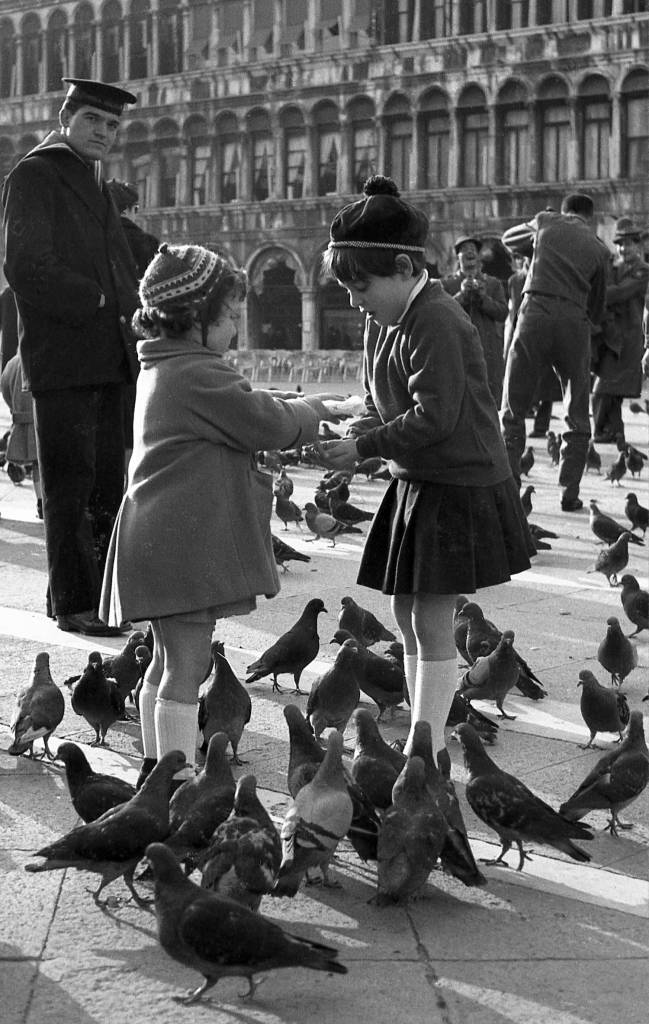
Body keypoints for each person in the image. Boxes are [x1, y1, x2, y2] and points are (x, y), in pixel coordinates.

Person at [99, 243, 343, 781]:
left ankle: (153, 766)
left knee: (165, 662)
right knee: (187, 667)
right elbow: (265, 421)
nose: (236, 328)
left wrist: (290, 402)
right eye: (230, 316)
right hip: (180, 544)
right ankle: (176, 777)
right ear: (195, 318)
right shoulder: (197, 373)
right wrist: (313, 410)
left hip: (157, 537)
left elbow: (238, 403)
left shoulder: (167, 366)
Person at [318, 175, 534, 770]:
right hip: (419, 476)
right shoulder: (382, 317)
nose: (354, 301)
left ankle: (429, 741)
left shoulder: (438, 318)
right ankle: (421, 724)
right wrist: (349, 429)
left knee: (434, 617)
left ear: (402, 269)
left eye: (360, 287)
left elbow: (436, 417)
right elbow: (376, 396)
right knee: (404, 613)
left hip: (456, 479)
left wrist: (364, 447)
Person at [2, 78, 140, 636]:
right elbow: (26, 266)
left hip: (108, 357)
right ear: (65, 117)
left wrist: (133, 313)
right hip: (66, 360)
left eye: (111, 126)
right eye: (93, 121)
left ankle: (92, 597)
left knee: (107, 480)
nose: (104, 133)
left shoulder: (94, 181)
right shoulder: (37, 173)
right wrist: (99, 299)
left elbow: (121, 267)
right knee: (71, 486)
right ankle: (76, 604)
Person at [500, 193, 609, 512]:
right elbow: (598, 306)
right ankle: (569, 492)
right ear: (589, 216)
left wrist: (538, 231)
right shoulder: (600, 248)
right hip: (575, 322)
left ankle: (509, 484)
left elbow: (509, 240)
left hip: (535, 313)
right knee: (577, 408)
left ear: (564, 211)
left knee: (514, 406)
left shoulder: (547, 221)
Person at [591, 217, 649, 444]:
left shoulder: (643, 271)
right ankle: (615, 433)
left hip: (630, 339)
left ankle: (603, 431)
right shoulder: (614, 268)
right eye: (620, 244)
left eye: (629, 243)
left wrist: (602, 294)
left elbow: (620, 293)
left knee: (603, 387)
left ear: (639, 245)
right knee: (610, 389)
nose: (624, 248)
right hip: (613, 337)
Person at [501, 225, 561, 438]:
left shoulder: (553, 275)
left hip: (547, 334)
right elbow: (513, 312)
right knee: (522, 384)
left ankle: (541, 427)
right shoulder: (516, 280)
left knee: (547, 386)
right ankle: (515, 433)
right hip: (523, 334)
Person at [442, 235, 508, 407]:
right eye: (464, 250)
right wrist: (462, 295)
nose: (469, 251)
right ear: (458, 257)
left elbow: (502, 313)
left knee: (490, 398)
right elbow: (442, 313)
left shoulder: (492, 284)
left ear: (479, 256)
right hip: (458, 347)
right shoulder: (447, 284)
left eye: (473, 249)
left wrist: (483, 298)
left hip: (488, 347)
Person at [0, 352, 42, 518]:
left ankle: (14, 466)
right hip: (40, 421)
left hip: (20, 421)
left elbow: (5, 389)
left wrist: (15, 412)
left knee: (33, 461)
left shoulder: (12, 364)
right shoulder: (43, 359)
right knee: (40, 465)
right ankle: (41, 502)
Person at [106, 179, 159, 280]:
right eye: (136, 209)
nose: (136, 214)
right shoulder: (147, 243)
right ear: (125, 210)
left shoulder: (92, 239)